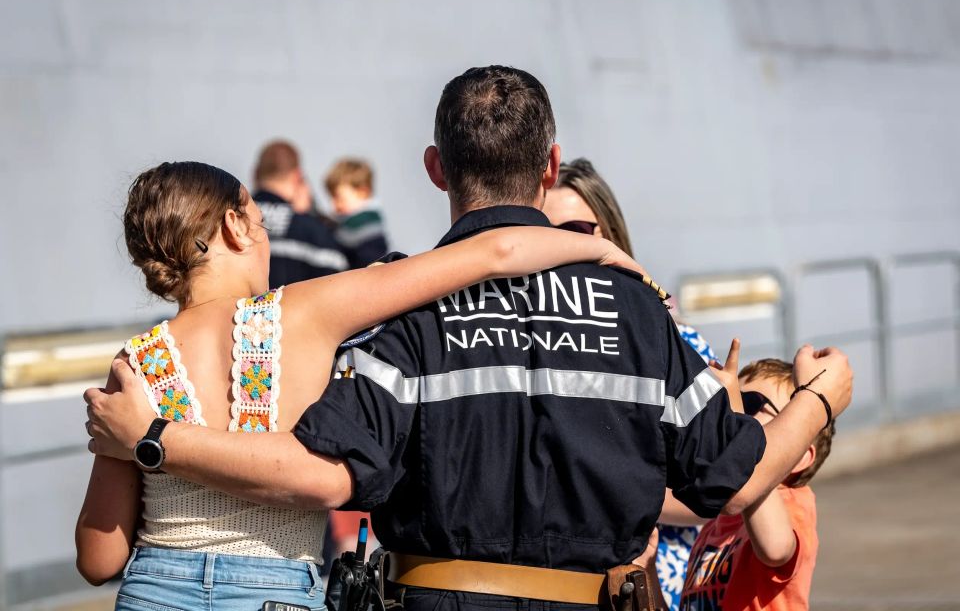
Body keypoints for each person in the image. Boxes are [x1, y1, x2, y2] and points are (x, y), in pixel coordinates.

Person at [85, 66, 853, 611]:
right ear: (549, 166)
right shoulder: (633, 308)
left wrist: (153, 438)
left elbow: (109, 554)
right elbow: (736, 480)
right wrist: (817, 401)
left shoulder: (403, 314)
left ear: (435, 168)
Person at [74, 160, 644, 609]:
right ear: (233, 226)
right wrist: (596, 248)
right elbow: (494, 253)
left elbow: (100, 557)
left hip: (152, 591)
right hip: (274, 596)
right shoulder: (305, 312)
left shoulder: (136, 365)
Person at [542, 158, 715, 610]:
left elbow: (711, 487)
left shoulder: (675, 340)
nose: (563, 245)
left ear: (611, 234)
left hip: (657, 583)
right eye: (544, 232)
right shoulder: (534, 342)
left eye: (578, 228)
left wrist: (599, 490)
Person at [679, 358, 836, 610]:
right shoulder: (716, 524)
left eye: (750, 404)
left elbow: (775, 549)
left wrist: (735, 419)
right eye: (731, 401)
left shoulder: (793, 506)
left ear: (797, 456)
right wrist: (649, 571)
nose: (733, 416)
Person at [254, 140, 349, 284]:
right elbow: (340, 286)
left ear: (256, 174)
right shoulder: (315, 231)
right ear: (297, 176)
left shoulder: (230, 221)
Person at [324, 158, 390, 267]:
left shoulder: (364, 220)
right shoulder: (357, 220)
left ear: (362, 192)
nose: (334, 204)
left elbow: (341, 240)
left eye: (339, 198)